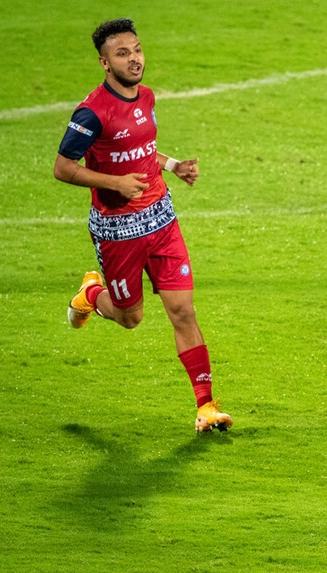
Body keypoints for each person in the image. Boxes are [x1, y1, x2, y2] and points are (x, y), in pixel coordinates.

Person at [54, 18, 232, 433]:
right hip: (118, 231)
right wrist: (113, 183)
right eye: (123, 54)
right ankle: (91, 293)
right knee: (129, 317)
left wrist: (173, 166)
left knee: (182, 310)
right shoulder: (91, 112)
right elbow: (63, 167)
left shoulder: (146, 96)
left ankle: (206, 406)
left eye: (136, 50)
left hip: (161, 220)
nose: (134, 59)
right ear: (105, 63)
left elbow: (142, 148)